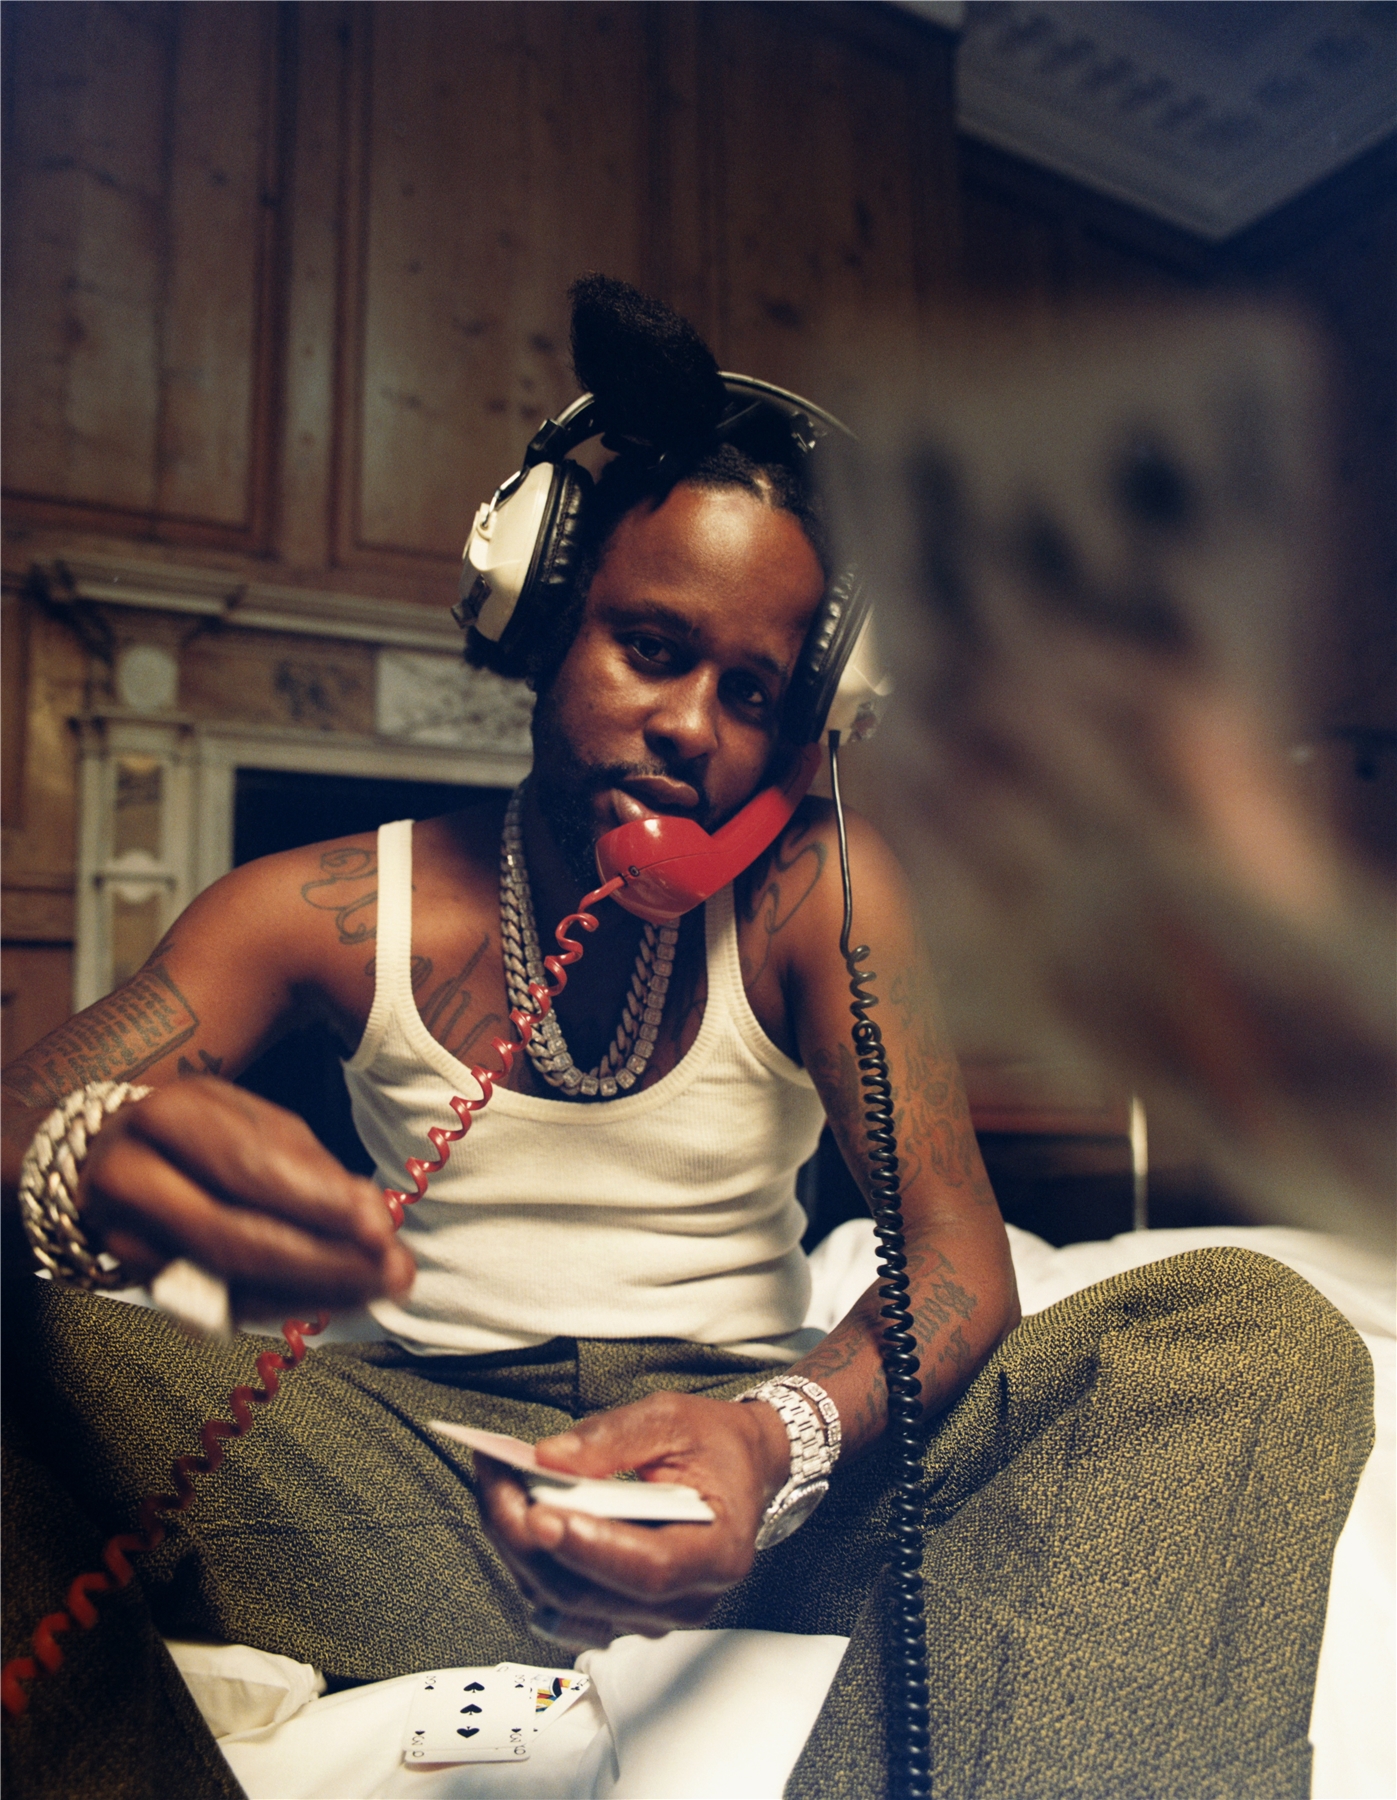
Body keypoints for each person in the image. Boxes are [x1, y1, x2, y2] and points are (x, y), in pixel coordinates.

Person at [0, 280, 1372, 1800]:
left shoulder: (817, 896)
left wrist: (778, 1438)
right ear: (539, 627)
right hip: (423, 1494)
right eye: (651, 647)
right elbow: (20, 1114)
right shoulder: (314, 908)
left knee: (1245, 1330)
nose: (693, 727)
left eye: (753, 693)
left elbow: (956, 1258)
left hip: (770, 1492)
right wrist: (80, 1151)